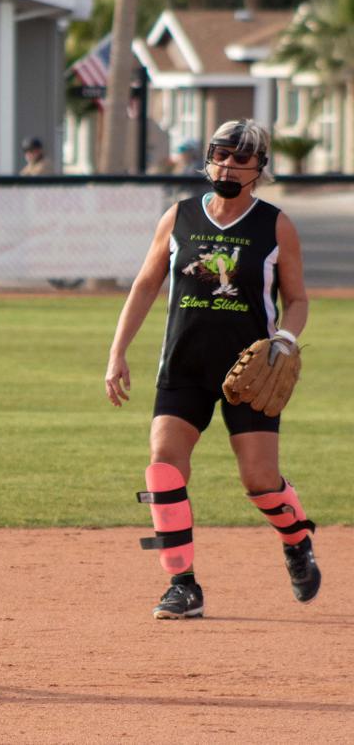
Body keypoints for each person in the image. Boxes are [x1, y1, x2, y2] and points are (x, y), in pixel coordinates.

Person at [104, 119, 320, 620]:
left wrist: (285, 341)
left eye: (241, 158)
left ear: (259, 168)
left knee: (259, 480)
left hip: (252, 373)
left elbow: (297, 299)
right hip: (184, 363)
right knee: (163, 462)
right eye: (221, 154)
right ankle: (182, 585)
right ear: (208, 159)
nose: (228, 166)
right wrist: (117, 352)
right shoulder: (179, 216)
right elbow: (145, 285)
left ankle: (296, 539)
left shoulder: (275, 225)